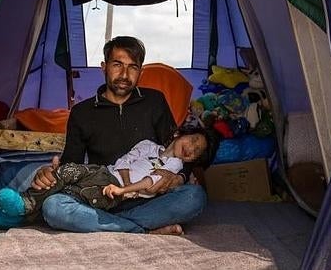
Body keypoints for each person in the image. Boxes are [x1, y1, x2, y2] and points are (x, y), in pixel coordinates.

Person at [31, 36, 209, 235]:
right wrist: (49, 172)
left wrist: (180, 177)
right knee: (53, 207)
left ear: (140, 72)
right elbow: (72, 163)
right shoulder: (82, 112)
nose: (124, 74)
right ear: (104, 67)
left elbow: (179, 149)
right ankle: (142, 230)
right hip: (101, 197)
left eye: (133, 67)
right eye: (117, 64)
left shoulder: (154, 102)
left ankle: (114, 225)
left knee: (195, 197)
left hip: (149, 198)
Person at [0, 127, 216, 222]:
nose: (192, 149)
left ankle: (24, 208)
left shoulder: (174, 164)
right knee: (65, 183)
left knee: (194, 196)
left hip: (123, 196)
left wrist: (179, 177)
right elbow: (125, 161)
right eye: (193, 141)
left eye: (197, 152)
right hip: (104, 175)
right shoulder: (148, 145)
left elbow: (152, 182)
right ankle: (22, 208)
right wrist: (53, 170)